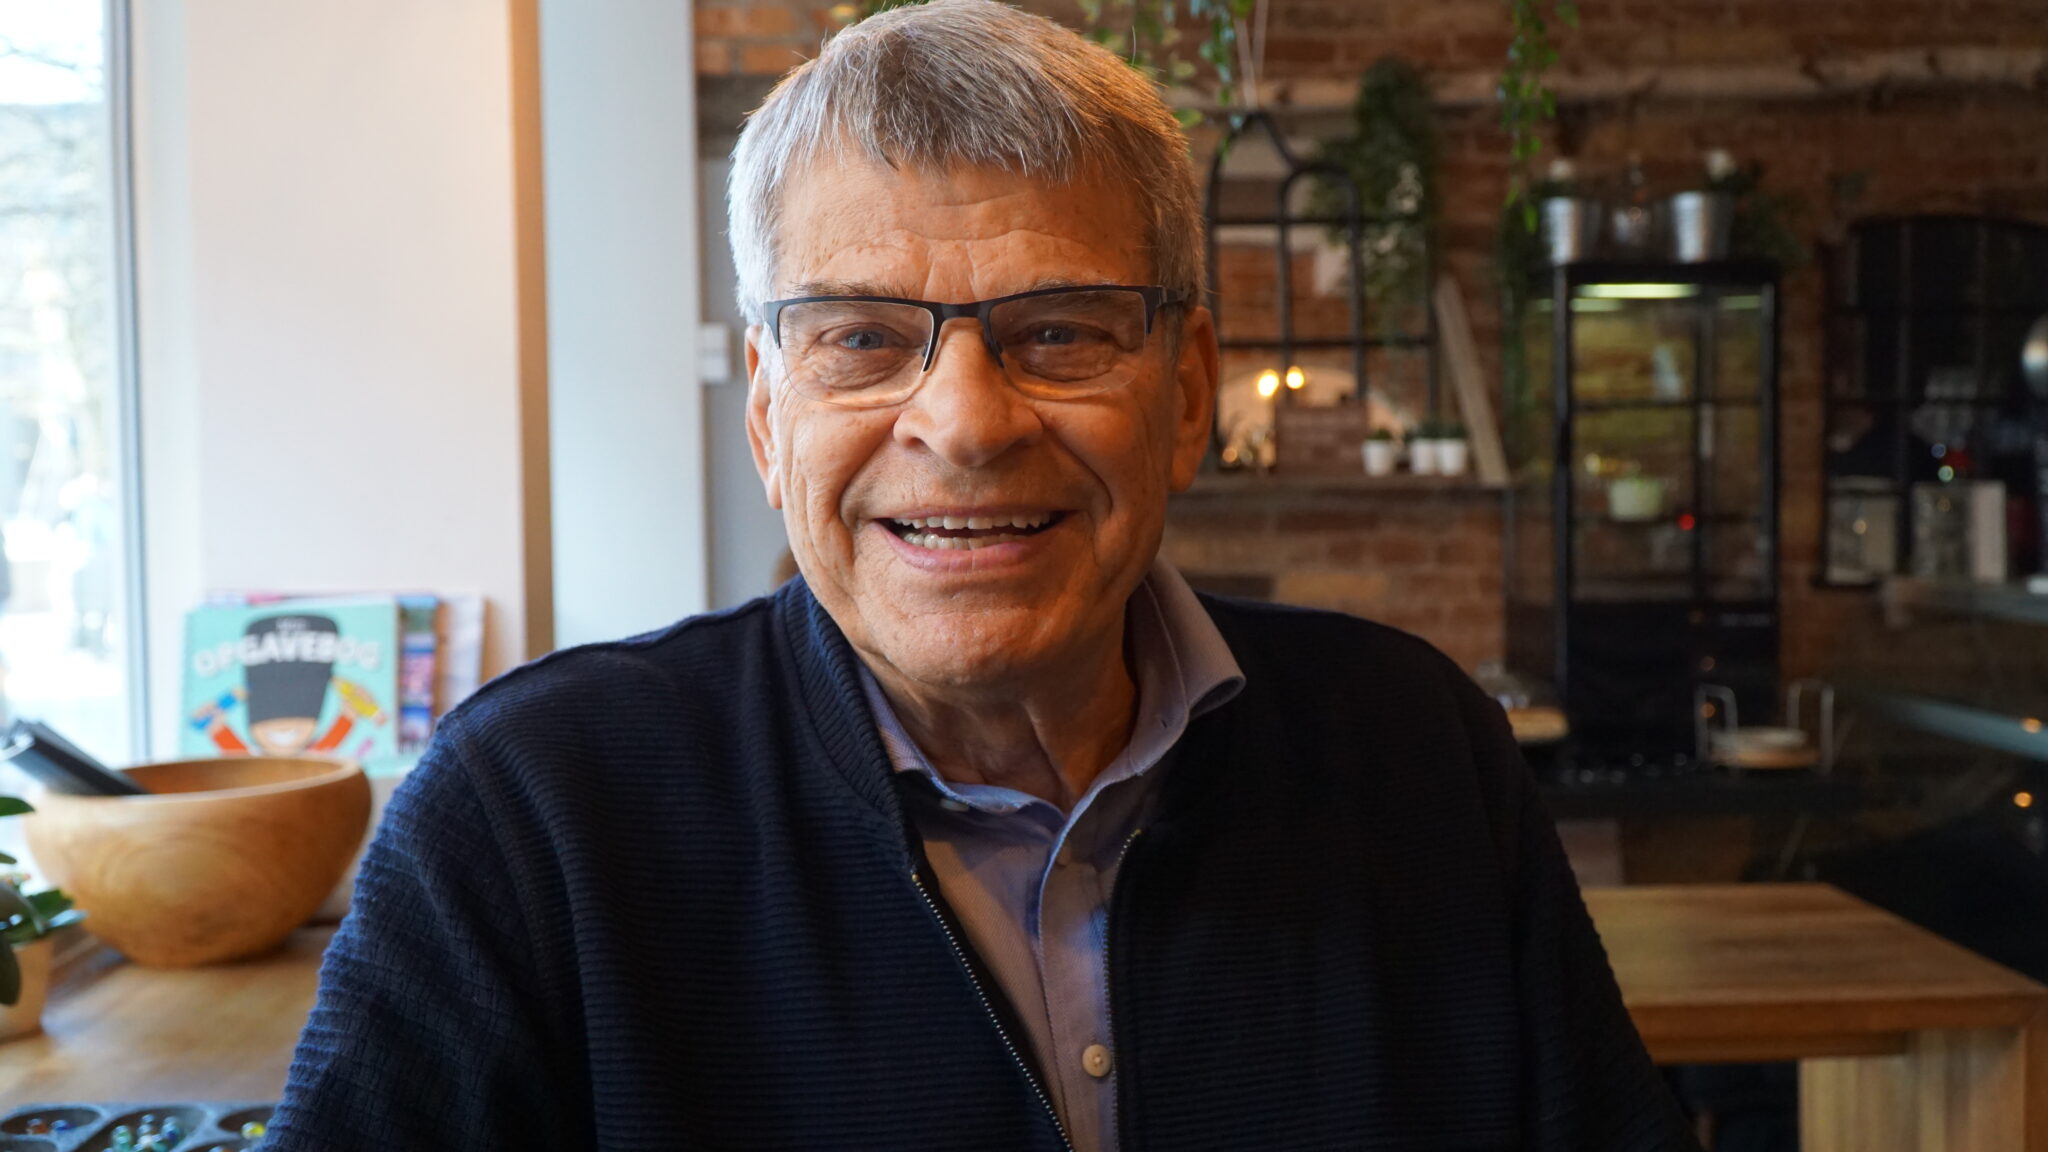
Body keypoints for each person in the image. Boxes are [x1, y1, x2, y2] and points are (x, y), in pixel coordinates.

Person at [267, 3, 1697, 1148]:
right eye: (861, 338)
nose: (962, 423)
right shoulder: (529, 818)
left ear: (1187, 394)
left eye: (1061, 330)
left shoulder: (1421, 752)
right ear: (767, 418)